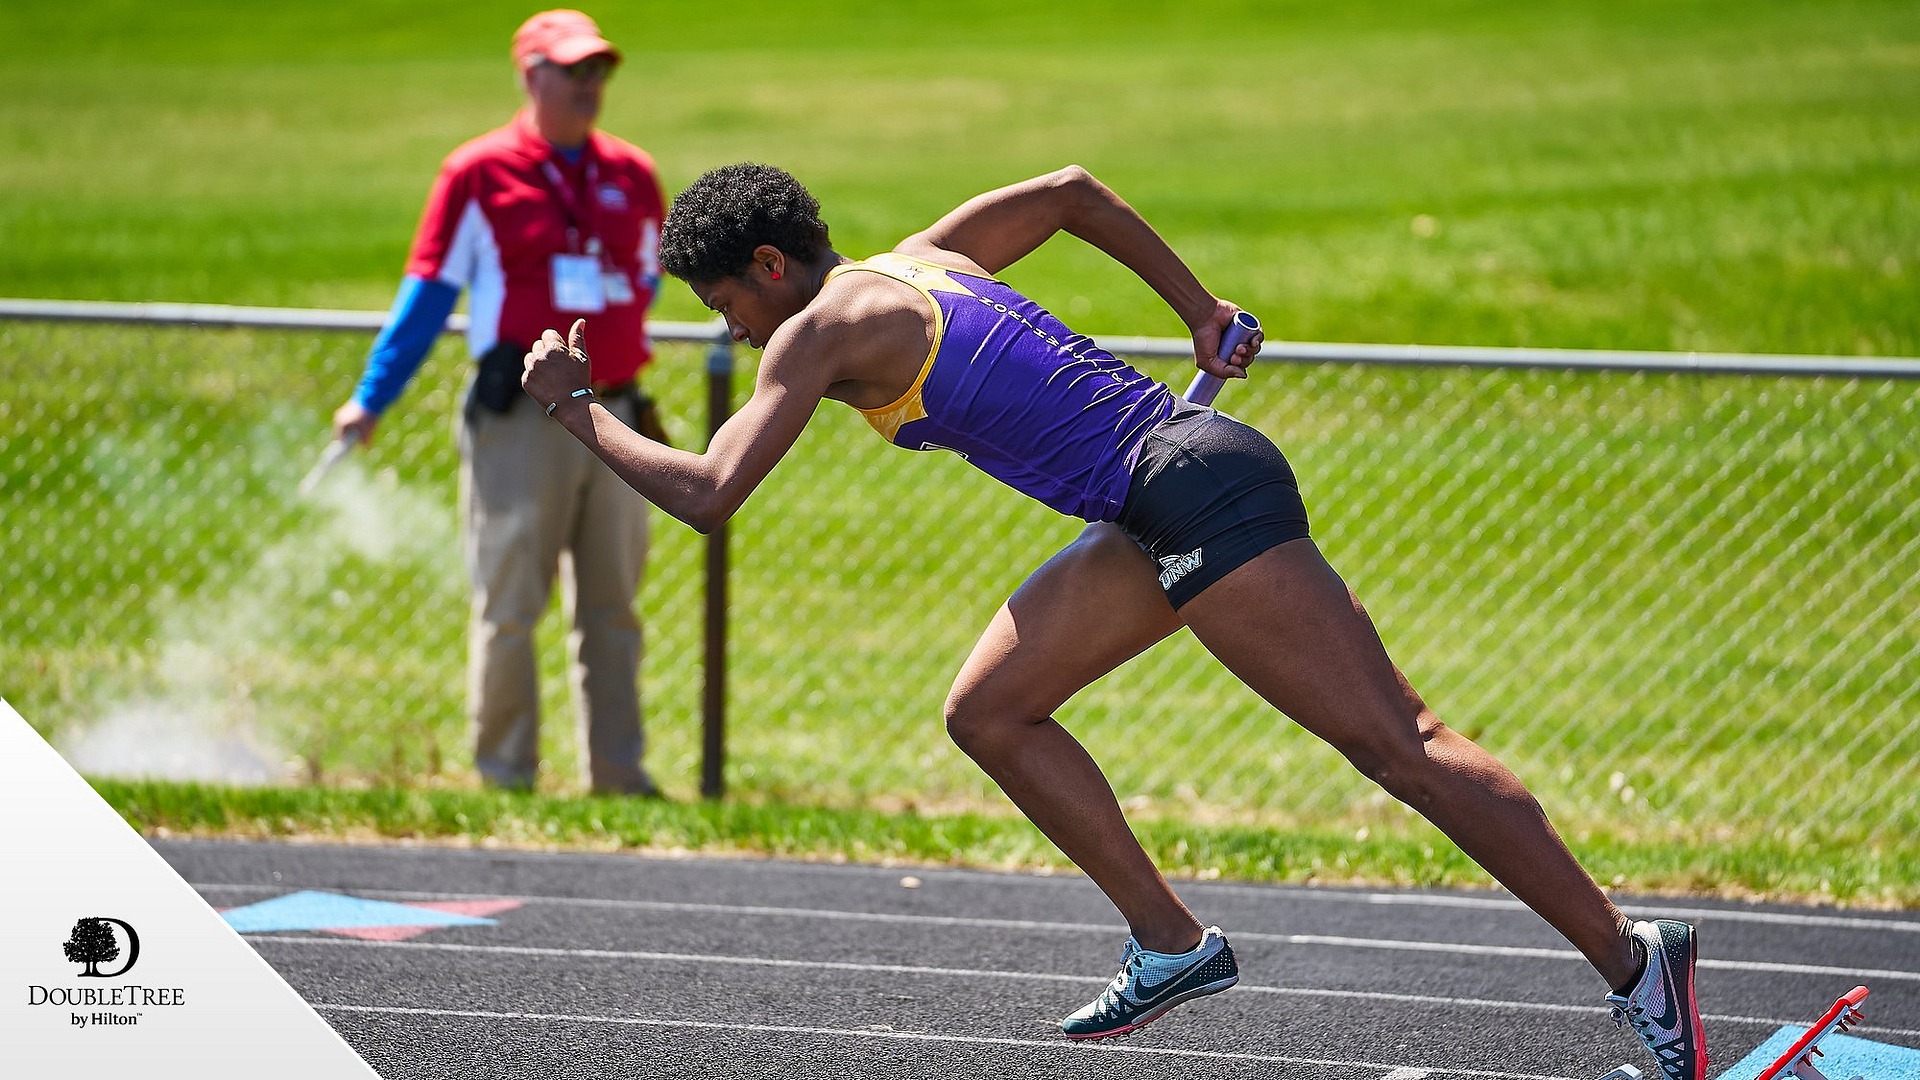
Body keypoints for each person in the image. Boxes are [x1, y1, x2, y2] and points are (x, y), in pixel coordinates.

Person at [521, 162, 1708, 1078]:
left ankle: (1632, 959)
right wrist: (1198, 309)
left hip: (1188, 491)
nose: (729, 326)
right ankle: (1171, 943)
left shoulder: (816, 331)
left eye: (723, 300)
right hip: (1152, 497)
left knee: (1401, 744)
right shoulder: (922, 257)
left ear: (770, 267)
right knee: (990, 711)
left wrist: (578, 412)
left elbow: (711, 493)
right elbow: (1071, 191)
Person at [331, 10, 668, 796]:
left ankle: (620, 778)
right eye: (573, 70)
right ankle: (505, 775)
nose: (590, 86)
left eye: (598, 71)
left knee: (615, 610)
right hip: (523, 420)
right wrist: (371, 398)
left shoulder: (632, 172)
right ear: (531, 75)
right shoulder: (477, 173)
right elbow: (426, 296)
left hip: (616, 412)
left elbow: (649, 279)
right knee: (512, 604)